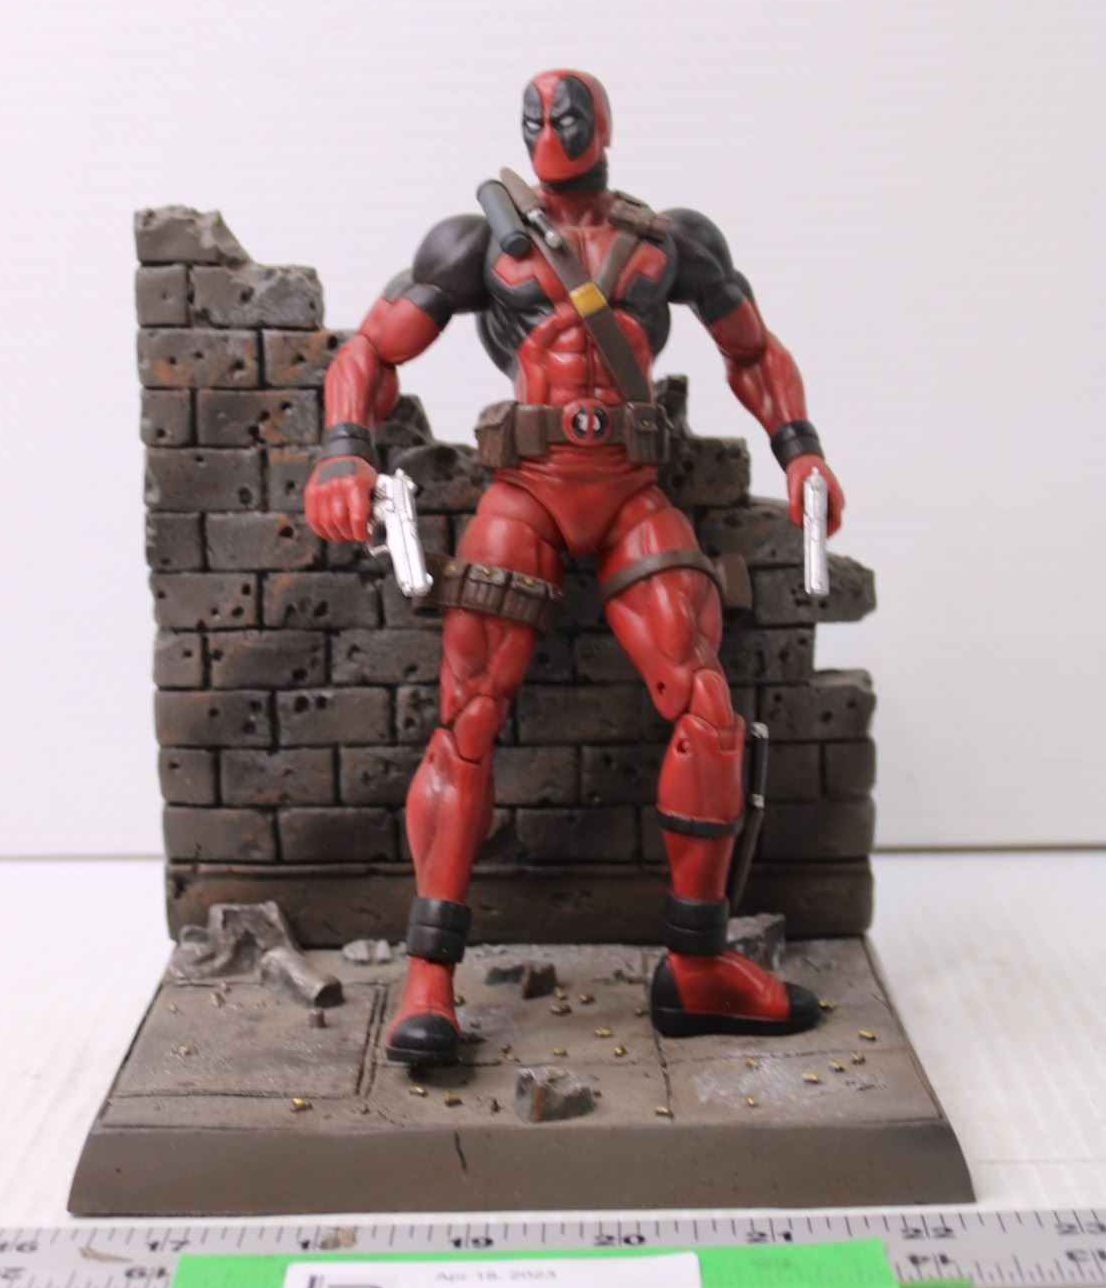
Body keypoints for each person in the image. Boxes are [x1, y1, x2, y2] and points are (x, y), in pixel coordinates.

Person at [305, 69, 845, 1066]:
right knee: (467, 717)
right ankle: (429, 979)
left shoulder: (671, 241)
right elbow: (370, 353)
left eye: (568, 113)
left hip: (634, 490)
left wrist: (800, 450)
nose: (552, 127)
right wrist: (342, 449)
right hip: (528, 490)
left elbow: (752, 351)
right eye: (537, 116)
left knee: (709, 710)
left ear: (604, 124)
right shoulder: (479, 242)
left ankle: (697, 965)